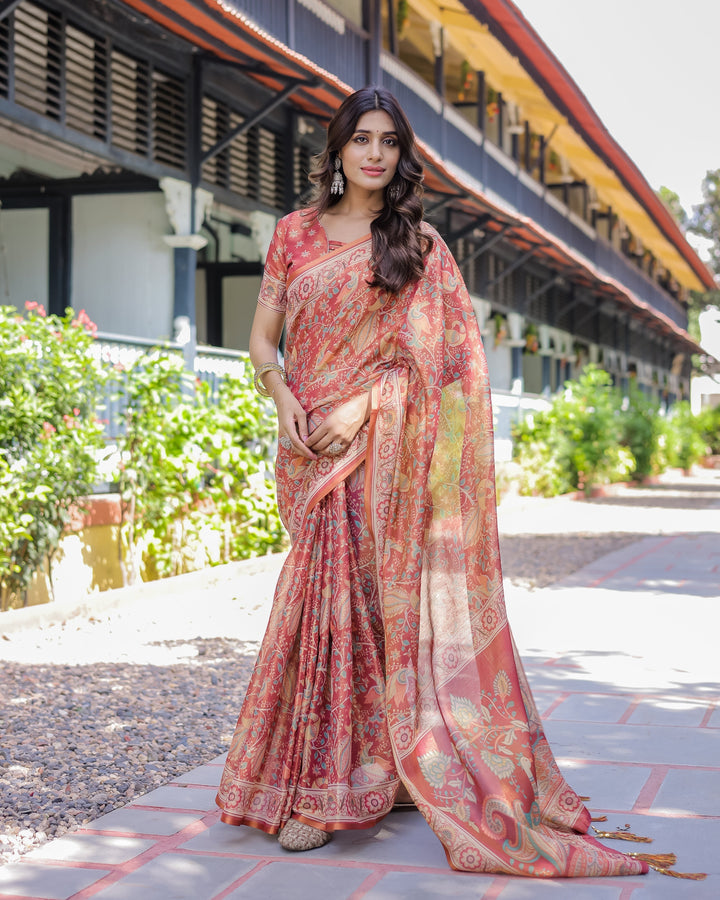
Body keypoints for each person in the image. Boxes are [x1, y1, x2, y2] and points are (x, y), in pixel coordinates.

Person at [215, 86, 648, 877]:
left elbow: (444, 364)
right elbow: (261, 340)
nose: (375, 153)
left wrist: (362, 406)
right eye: (361, 139)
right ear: (338, 149)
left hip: (382, 447)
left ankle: (336, 790)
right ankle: (361, 770)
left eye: (388, 141)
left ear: (400, 155)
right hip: (308, 445)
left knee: (370, 609)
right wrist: (284, 401)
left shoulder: (416, 245)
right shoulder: (294, 235)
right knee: (320, 605)